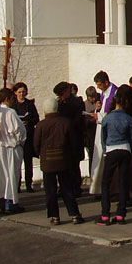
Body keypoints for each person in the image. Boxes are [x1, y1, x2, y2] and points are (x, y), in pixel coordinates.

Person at [33, 96, 84, 225]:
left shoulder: (41, 125)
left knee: (50, 191)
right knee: (67, 189)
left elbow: (36, 144)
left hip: (47, 162)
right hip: (64, 161)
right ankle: (74, 214)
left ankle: (54, 216)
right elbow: (73, 142)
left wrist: (42, 155)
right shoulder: (66, 123)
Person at [97, 89, 132, 225]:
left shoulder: (107, 118)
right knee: (123, 182)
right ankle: (121, 215)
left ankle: (105, 215)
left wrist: (106, 151)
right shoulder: (128, 118)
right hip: (125, 149)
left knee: (106, 183)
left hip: (112, 149)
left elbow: (103, 137)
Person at [0, 88, 26, 215]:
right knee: (12, 176)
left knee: (2, 177)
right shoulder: (10, 112)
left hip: (0, 147)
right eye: (12, 98)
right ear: (7, 99)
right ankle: (11, 203)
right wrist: (21, 141)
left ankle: (2, 202)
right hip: (12, 147)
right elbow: (19, 130)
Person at [54, 81, 85, 197]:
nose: (61, 98)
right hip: (63, 139)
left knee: (74, 165)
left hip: (74, 138)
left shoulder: (76, 103)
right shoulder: (59, 103)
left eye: (62, 94)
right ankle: (64, 188)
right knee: (63, 166)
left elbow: (77, 122)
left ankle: (76, 188)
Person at [90, 71, 118, 195]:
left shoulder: (115, 93)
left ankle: (109, 189)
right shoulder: (103, 93)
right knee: (98, 158)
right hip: (100, 128)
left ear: (106, 83)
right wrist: (98, 108)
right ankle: (97, 188)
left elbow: (115, 112)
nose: (98, 87)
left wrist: (99, 116)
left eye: (100, 84)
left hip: (110, 130)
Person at [11, 82, 39, 193]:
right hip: (17, 138)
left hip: (28, 136)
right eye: (19, 92)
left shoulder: (29, 104)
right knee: (17, 163)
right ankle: (17, 184)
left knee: (28, 162)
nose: (22, 94)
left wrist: (28, 121)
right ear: (15, 93)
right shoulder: (13, 105)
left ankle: (28, 184)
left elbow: (36, 118)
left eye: (23, 92)